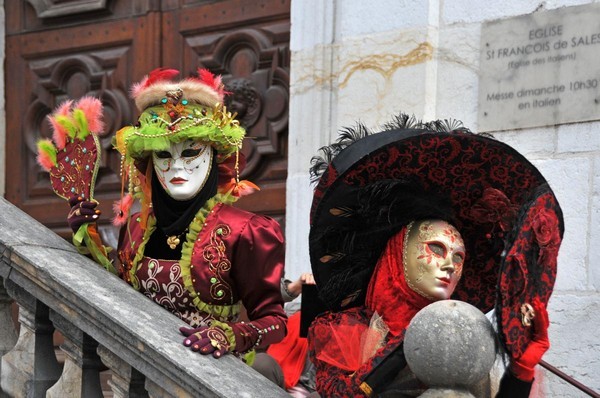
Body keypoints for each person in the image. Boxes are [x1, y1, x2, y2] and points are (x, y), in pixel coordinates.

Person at [37, 68, 287, 366]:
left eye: (191, 153)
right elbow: (120, 294)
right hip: (141, 372)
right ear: (150, 164)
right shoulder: (136, 228)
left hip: (212, 376)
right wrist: (86, 236)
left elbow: (275, 322)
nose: (177, 168)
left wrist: (231, 335)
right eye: (164, 156)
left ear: (213, 157)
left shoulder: (244, 230)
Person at [305, 115, 563, 397]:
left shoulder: (462, 333)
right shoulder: (343, 330)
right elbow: (341, 394)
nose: (450, 265)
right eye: (436, 249)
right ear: (396, 255)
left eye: (459, 257)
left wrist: (521, 371)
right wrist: (409, 342)